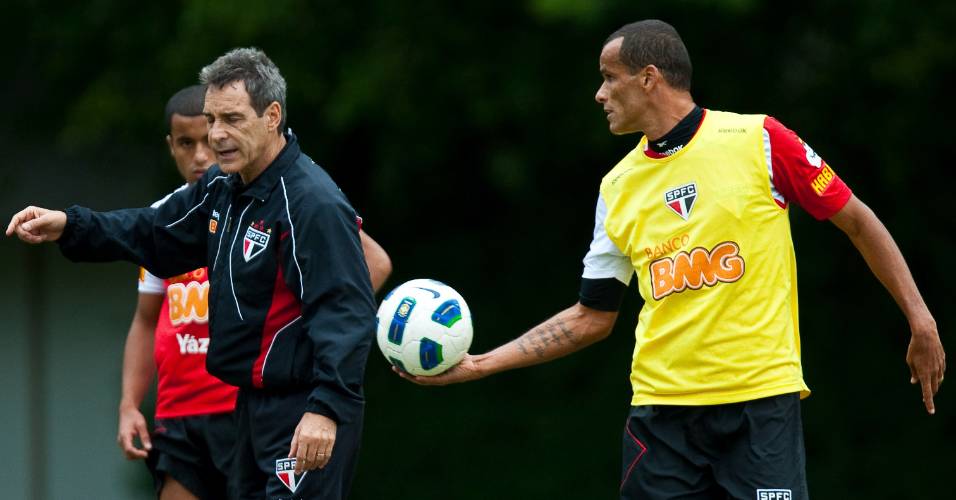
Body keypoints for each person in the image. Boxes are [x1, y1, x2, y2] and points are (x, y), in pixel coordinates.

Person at [394, 20, 946, 499]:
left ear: (649, 78)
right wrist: (481, 364)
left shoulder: (759, 139)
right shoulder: (617, 186)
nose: (599, 94)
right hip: (661, 421)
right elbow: (593, 316)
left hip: (758, 406)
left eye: (609, 78)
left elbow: (857, 218)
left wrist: (919, 317)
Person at [8, 48, 379, 500]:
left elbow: (345, 312)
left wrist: (326, 408)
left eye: (232, 119)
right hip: (250, 407)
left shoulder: (310, 203)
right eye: (211, 119)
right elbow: (153, 232)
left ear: (272, 116)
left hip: (302, 410)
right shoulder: (225, 187)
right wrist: (71, 224)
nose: (217, 135)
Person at [117, 85, 392, 500]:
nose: (200, 155)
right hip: (180, 412)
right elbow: (145, 318)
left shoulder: (280, 202)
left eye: (209, 135)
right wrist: (129, 403)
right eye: (186, 143)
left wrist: (297, 328)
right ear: (170, 146)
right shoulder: (166, 218)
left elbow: (370, 266)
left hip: (241, 403)